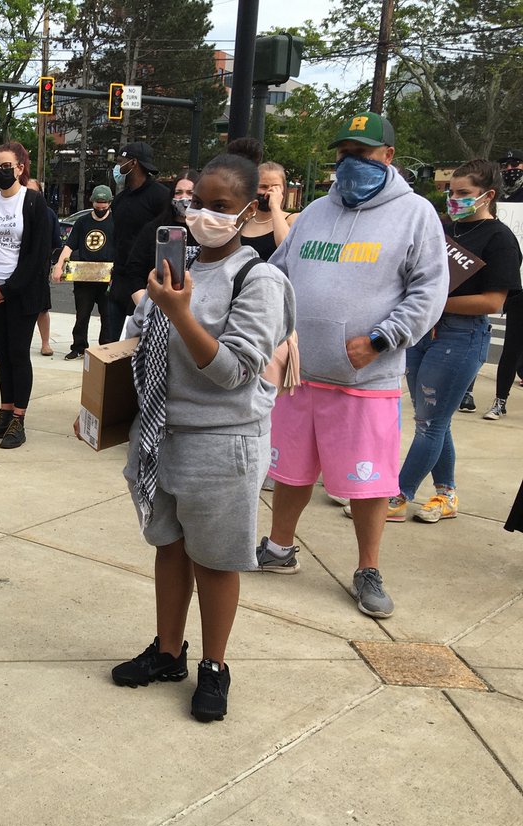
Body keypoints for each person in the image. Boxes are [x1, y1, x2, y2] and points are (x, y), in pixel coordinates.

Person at [109, 153, 294, 723]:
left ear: (248, 209)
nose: (204, 215)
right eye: (196, 203)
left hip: (221, 441)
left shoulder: (259, 279)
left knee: (214, 561)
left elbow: (234, 371)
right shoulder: (173, 270)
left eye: (220, 205)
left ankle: (215, 665)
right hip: (161, 433)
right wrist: (102, 410)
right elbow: (138, 343)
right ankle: (168, 652)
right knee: (168, 547)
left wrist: (181, 312)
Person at [256, 112, 448, 619]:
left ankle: (368, 568)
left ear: (388, 157)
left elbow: (430, 290)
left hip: (365, 376)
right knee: (291, 470)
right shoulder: (315, 212)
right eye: (344, 154)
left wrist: (383, 338)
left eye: (361, 153)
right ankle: (279, 547)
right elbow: (279, 273)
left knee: (370, 482)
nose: (350, 163)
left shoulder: (415, 214)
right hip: (300, 373)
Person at [383, 160, 520, 522]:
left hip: (461, 337)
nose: (454, 199)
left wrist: (434, 302)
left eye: (464, 193)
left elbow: (493, 302)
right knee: (432, 419)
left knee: (431, 424)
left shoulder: (499, 239)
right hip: (422, 333)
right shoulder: (442, 228)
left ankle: (398, 495)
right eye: (451, 192)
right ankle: (446, 494)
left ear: (488, 195)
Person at [0, 142, 51, 451]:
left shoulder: (33, 202)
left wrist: (8, 289)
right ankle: (4, 412)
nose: (0, 171)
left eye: (6, 166)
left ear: (20, 168)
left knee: (18, 354)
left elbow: (37, 254)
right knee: (1, 354)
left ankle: (18, 418)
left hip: (22, 293)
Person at [105, 142, 170, 341]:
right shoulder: (120, 200)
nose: (118, 167)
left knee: (141, 339)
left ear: (133, 163)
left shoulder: (161, 196)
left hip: (146, 280)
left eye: (120, 161)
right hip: (120, 278)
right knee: (109, 340)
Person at [480, 149, 523, 419]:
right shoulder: (499, 200)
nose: (510, 169)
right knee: (511, 344)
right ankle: (500, 400)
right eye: (505, 165)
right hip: (517, 282)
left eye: (515, 164)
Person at [121, 169, 201, 307]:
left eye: (190, 193)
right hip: (155, 306)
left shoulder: (206, 232)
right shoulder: (154, 230)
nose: (184, 198)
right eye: (178, 192)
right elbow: (134, 270)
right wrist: (145, 307)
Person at [52, 184, 115, 360]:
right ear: (92, 201)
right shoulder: (82, 222)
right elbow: (69, 246)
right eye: (98, 203)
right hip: (84, 275)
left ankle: (105, 348)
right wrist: (59, 266)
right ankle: (79, 346)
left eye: (104, 203)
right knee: (82, 314)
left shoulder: (116, 222)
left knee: (108, 316)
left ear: (109, 203)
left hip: (107, 276)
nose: (101, 207)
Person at [27, 178, 60, 357]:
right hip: (17, 267)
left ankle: (45, 343)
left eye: (34, 191)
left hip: (40, 268)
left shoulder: (48, 214)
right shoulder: (15, 211)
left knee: (42, 307)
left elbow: (55, 242)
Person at [239, 161, 296, 261]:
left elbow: (286, 249)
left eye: (275, 187)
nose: (269, 192)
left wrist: (275, 206)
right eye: (263, 187)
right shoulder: (244, 222)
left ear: (283, 189)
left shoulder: (293, 219)